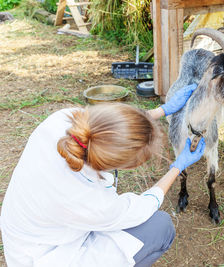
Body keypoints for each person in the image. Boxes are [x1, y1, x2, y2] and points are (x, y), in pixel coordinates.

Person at [0, 84, 204, 267]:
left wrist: (161, 111)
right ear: (123, 166)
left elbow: (108, 127)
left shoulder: (63, 119)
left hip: (32, 232)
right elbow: (143, 207)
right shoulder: (95, 204)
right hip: (45, 256)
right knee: (160, 227)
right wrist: (177, 167)